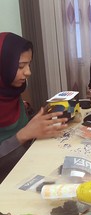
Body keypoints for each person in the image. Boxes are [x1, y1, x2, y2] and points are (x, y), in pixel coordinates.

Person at [0, 32, 68, 183]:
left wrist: (45, 122)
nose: (28, 72)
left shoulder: (11, 92)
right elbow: (21, 134)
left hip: (26, 167)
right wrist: (23, 135)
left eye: (29, 64)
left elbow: (24, 127)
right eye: (20, 66)